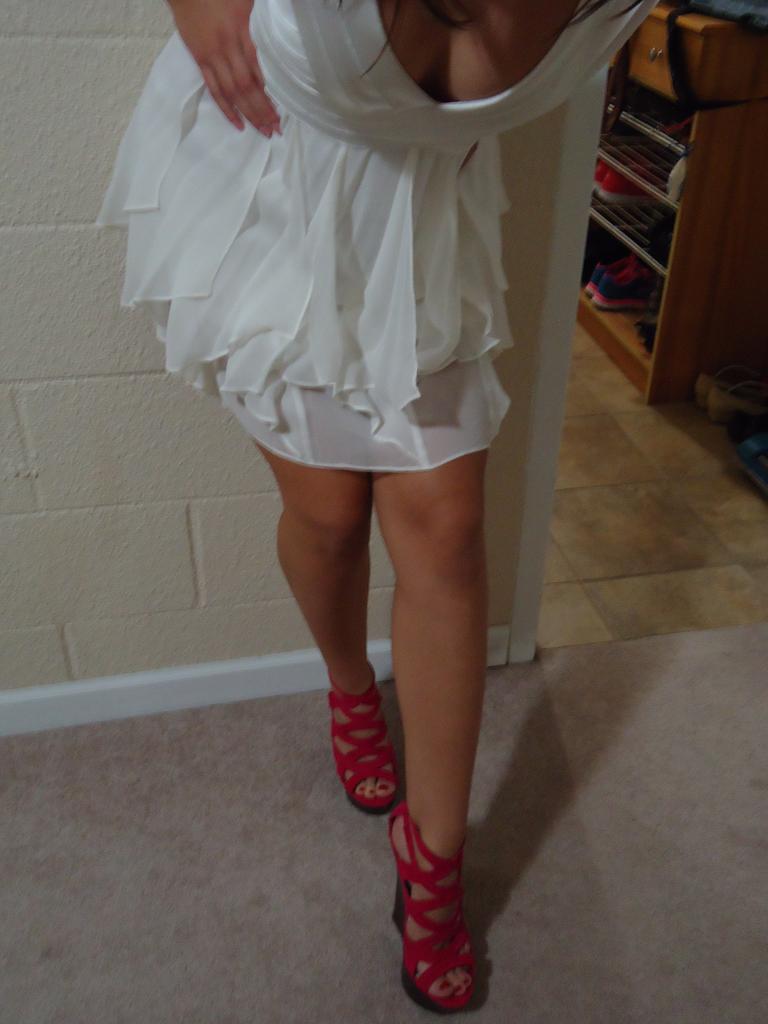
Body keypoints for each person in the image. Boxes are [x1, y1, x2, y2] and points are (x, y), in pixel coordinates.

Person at [96, 0, 658, 1012]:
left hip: (425, 216)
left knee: (448, 530)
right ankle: (351, 683)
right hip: (278, 191)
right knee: (329, 519)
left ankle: (433, 860)